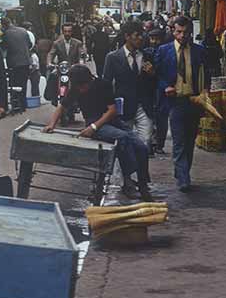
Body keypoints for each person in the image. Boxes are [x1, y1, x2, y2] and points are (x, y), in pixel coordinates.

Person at [43, 64, 151, 201]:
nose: (81, 90)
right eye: (78, 87)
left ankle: (143, 183)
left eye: (83, 87)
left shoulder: (103, 85)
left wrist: (93, 127)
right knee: (122, 137)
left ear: (90, 80)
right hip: (93, 121)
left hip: (108, 120)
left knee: (141, 147)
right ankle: (128, 180)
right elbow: (61, 107)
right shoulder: (76, 88)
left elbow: (112, 110)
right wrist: (51, 124)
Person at [154, 16, 208, 192]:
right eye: (178, 32)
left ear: (190, 32)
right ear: (172, 31)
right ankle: (184, 178)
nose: (182, 35)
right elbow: (158, 75)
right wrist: (165, 87)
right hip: (175, 101)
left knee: (190, 139)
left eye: (185, 32)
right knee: (179, 140)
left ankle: (182, 171)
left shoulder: (199, 51)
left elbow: (206, 74)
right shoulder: (163, 51)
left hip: (193, 100)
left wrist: (205, 93)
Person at [101, 21, 152, 148]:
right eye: (136, 35)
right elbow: (106, 83)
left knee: (145, 141)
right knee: (123, 144)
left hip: (144, 106)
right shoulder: (112, 57)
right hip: (123, 107)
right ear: (127, 36)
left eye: (141, 35)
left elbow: (155, 82)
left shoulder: (147, 55)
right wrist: (109, 108)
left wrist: (152, 73)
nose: (140, 38)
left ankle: (141, 167)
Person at [0, 17, 33, 113]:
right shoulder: (23, 31)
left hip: (14, 64)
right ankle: (23, 105)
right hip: (26, 62)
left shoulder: (6, 34)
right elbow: (30, 45)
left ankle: (15, 106)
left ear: (4, 25)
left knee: (14, 85)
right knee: (23, 84)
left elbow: (3, 47)